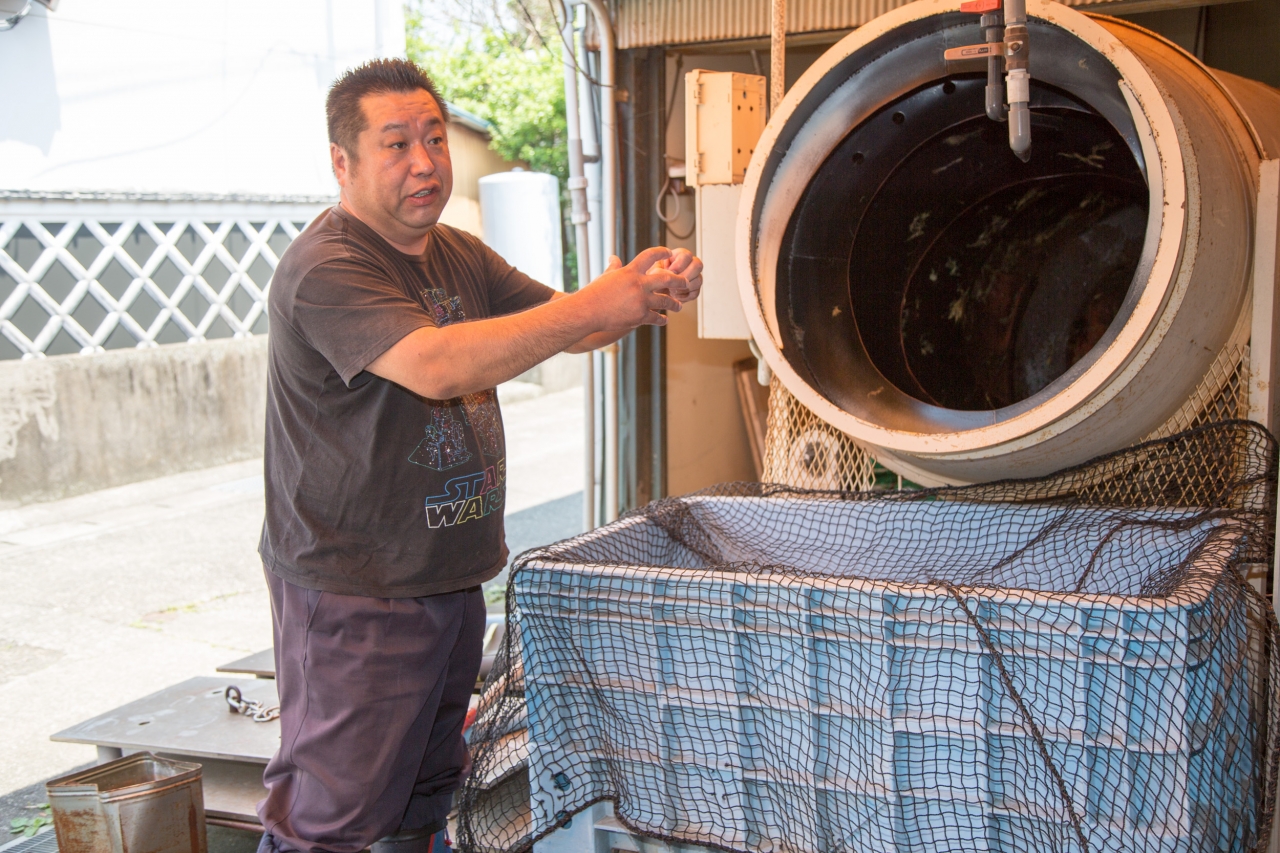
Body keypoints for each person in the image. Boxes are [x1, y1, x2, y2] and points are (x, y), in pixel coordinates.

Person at [254, 58, 703, 853]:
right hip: (358, 590)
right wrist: (595, 305)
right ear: (342, 162)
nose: (424, 161)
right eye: (395, 144)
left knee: (422, 801)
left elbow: (573, 324)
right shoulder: (327, 266)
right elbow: (437, 364)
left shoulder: (455, 253)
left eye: (433, 137)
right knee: (331, 823)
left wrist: (633, 294)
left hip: (449, 578)